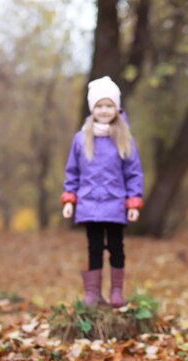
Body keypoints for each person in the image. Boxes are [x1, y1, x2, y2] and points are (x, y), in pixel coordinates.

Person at [61, 76, 143, 308]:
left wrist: (133, 203)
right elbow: (72, 172)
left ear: (116, 108)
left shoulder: (124, 138)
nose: (104, 110)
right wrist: (70, 199)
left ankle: (116, 292)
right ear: (92, 108)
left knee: (116, 247)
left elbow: (133, 173)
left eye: (108, 105)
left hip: (116, 203)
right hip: (88, 204)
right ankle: (93, 294)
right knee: (94, 248)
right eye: (99, 105)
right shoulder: (81, 139)